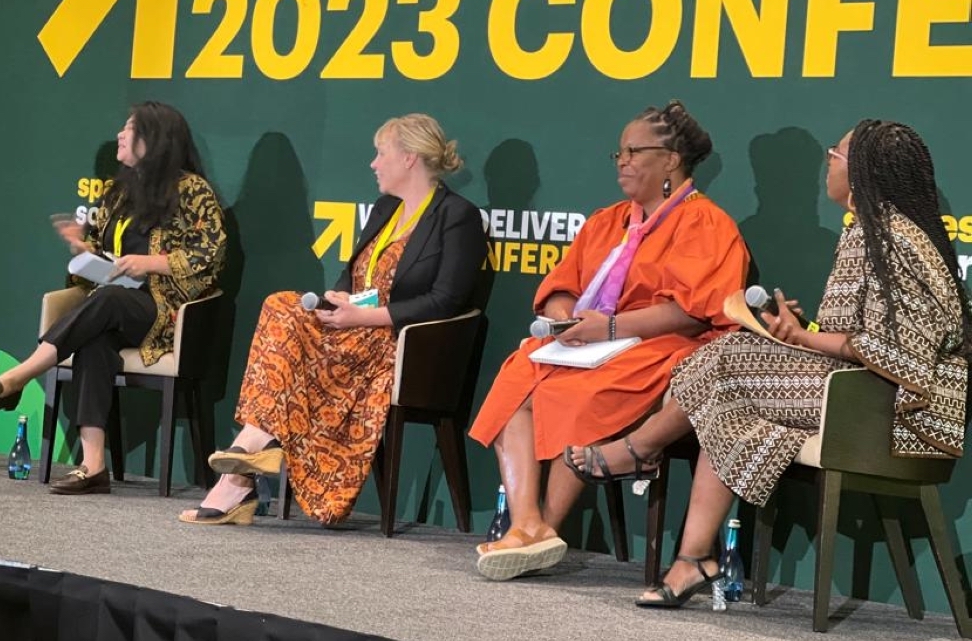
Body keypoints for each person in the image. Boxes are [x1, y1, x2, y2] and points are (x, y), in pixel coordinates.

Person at [568, 119, 971, 607]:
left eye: (835, 154)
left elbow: (901, 355)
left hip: (893, 416)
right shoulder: (873, 231)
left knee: (726, 360)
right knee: (725, 392)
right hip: (861, 395)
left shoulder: (889, 238)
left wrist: (804, 338)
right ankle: (693, 559)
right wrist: (800, 332)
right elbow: (867, 339)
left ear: (862, 170)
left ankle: (640, 450)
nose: (827, 162)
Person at [467, 101, 751, 580]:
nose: (622, 161)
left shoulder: (705, 222)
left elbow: (691, 311)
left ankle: (546, 526)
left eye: (634, 151)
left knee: (580, 390)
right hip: (591, 341)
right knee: (521, 371)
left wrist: (611, 329)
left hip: (662, 345)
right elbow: (562, 287)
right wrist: (564, 318)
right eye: (619, 152)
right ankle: (527, 525)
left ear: (671, 160)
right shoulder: (609, 220)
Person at [179, 113, 487, 526]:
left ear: (409, 158)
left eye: (381, 154)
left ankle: (240, 472)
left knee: (291, 342)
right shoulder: (386, 209)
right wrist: (338, 299)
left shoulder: (457, 215)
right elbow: (352, 274)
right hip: (352, 328)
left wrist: (366, 316)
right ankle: (250, 453)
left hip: (397, 344)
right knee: (281, 305)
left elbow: (446, 301)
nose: (373, 164)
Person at [0, 101, 226, 495]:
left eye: (129, 128)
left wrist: (151, 263)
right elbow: (102, 255)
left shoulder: (192, 190)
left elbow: (211, 255)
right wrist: (84, 251)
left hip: (167, 312)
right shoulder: (119, 193)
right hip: (115, 306)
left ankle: (18, 377)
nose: (119, 135)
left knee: (109, 301)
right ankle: (94, 465)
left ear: (154, 139)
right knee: (95, 337)